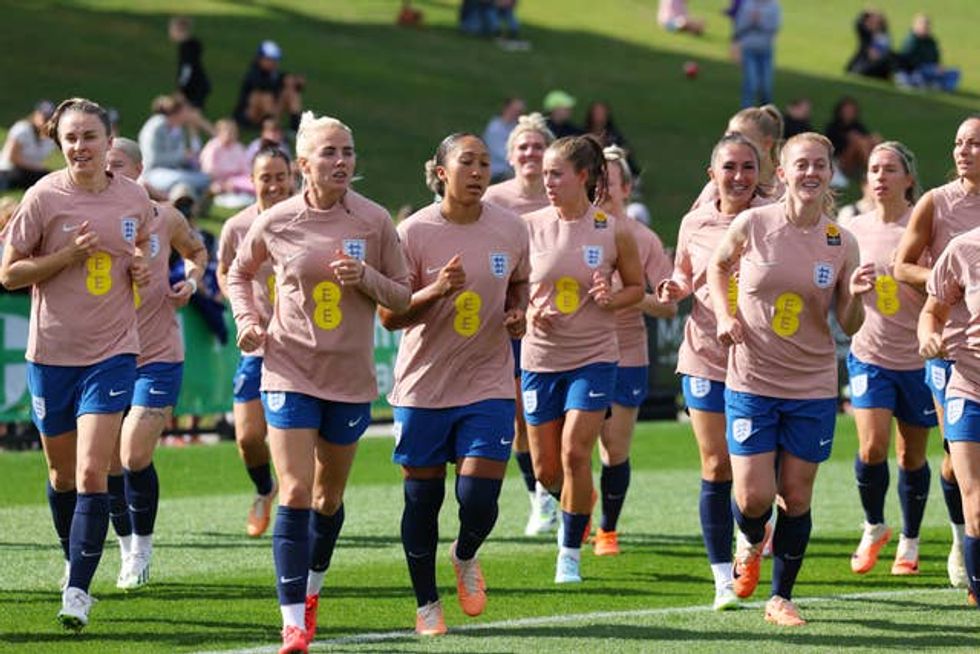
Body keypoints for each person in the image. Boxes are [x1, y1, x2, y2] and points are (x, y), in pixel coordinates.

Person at [227, 111, 410, 653]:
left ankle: (311, 590)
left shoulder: (374, 221)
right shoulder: (277, 219)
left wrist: (368, 280)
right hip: (287, 368)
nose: (341, 162)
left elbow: (403, 295)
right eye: (329, 153)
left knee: (329, 499)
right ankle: (291, 621)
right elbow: (239, 272)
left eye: (348, 152)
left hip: (349, 379)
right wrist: (247, 319)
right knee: (297, 490)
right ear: (304, 164)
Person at [0, 98, 154, 630]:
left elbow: (141, 259)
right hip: (52, 354)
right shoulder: (43, 197)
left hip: (112, 351)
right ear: (58, 142)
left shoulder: (134, 198)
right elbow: (9, 274)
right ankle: (76, 555)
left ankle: (77, 592)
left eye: (90, 136)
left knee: (92, 471)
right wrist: (65, 258)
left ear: (110, 142)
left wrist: (140, 273)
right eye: (70, 138)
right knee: (62, 474)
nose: (80, 147)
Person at [707, 132, 864, 626]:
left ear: (830, 173)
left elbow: (851, 323)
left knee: (795, 497)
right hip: (751, 380)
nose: (811, 173)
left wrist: (856, 295)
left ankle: (781, 596)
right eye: (802, 164)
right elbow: (717, 265)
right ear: (783, 172)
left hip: (812, 385)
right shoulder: (754, 223)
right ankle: (751, 541)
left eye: (820, 164)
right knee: (752, 498)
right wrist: (723, 315)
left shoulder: (842, 240)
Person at [378, 133, 530, 635]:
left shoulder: (511, 229)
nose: (479, 170)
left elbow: (521, 284)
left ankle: (464, 554)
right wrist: (436, 290)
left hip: (487, 380)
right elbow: (388, 315)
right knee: (423, 501)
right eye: (467, 161)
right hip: (424, 385)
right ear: (441, 171)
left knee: (479, 497)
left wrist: (518, 312)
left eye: (486, 162)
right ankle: (427, 605)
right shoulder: (414, 232)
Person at [522, 135, 643, 583]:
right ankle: (574, 506)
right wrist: (529, 308)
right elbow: (511, 288)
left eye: (556, 174)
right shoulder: (528, 226)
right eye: (544, 174)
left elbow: (635, 288)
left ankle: (568, 553)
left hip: (593, 357)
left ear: (582, 177)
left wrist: (612, 297)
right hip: (539, 358)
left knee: (576, 452)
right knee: (546, 469)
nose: (546, 181)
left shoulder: (612, 228)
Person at [657, 133, 764, 610]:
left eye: (747, 167)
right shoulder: (695, 222)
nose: (738, 177)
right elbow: (684, 272)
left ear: (760, 173)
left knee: (758, 479)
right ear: (712, 174)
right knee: (716, 464)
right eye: (729, 168)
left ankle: (753, 537)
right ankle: (723, 576)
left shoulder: (771, 219)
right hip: (704, 353)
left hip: (764, 362)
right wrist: (673, 288)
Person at [104, 137, 208, 589]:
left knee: (133, 453)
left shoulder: (165, 217)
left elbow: (197, 252)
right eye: (105, 166)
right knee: (105, 464)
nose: (111, 173)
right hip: (104, 356)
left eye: (119, 165)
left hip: (157, 355)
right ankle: (127, 551)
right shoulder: (91, 219)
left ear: (141, 169)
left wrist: (191, 279)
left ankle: (143, 547)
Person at [838, 142, 936, 577]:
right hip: (869, 354)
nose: (879, 177)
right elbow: (840, 291)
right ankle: (874, 524)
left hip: (917, 360)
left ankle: (910, 540)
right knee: (872, 446)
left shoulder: (924, 226)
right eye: (874, 169)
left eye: (889, 169)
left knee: (910, 456)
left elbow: (942, 287)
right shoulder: (852, 228)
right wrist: (852, 291)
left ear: (908, 179)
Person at [893, 115, 980, 590]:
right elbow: (901, 265)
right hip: (950, 348)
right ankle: (961, 535)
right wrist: (950, 284)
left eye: (974, 144)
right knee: (953, 451)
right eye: (958, 143)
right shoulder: (937, 203)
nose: (963, 151)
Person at [594, 146, 675, 557]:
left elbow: (667, 303)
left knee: (613, 448)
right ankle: (575, 504)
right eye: (595, 181)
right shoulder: (569, 229)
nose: (601, 189)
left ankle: (607, 530)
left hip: (626, 351)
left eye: (609, 182)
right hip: (570, 352)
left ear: (626, 188)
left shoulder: (643, 239)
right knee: (559, 450)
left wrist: (629, 296)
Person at [483, 112, 557, 535]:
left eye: (538, 146)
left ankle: (568, 491)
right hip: (512, 320)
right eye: (523, 147)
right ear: (510, 156)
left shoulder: (562, 195)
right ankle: (539, 497)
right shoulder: (494, 200)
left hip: (560, 324)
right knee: (520, 418)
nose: (530, 153)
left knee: (556, 419)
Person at [217, 146, 295, 538]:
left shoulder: (307, 220)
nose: (274, 184)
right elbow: (225, 273)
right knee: (248, 437)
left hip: (303, 347)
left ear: (293, 177)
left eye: (281, 176)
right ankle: (265, 490)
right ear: (253, 181)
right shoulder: (236, 227)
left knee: (299, 438)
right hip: (259, 346)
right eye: (266, 177)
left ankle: (302, 512)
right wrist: (243, 311)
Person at [919, 225, 980, 609]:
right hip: (969, 387)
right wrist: (928, 335)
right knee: (975, 505)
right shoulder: (963, 247)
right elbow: (932, 311)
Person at [691, 105, 784, 209]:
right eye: (728, 138)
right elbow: (695, 222)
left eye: (741, 139)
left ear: (767, 144)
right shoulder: (718, 188)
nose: (733, 144)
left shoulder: (787, 185)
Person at [138, 94, 211, 198]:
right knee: (183, 179)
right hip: (153, 172)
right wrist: (182, 156)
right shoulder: (157, 126)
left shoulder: (177, 128)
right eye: (187, 111)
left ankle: (188, 203)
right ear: (178, 112)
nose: (189, 114)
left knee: (204, 177)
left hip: (173, 170)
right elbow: (154, 159)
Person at [233, 40, 304, 132]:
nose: (273, 63)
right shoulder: (253, 75)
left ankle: (294, 127)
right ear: (260, 59)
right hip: (248, 116)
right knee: (265, 97)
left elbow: (293, 84)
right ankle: (270, 128)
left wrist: (296, 82)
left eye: (275, 59)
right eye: (269, 59)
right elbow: (264, 86)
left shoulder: (275, 75)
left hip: (270, 113)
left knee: (291, 93)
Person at [733, 0, 782, 109]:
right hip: (749, 50)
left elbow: (775, 27)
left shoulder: (774, 6)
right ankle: (746, 115)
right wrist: (751, 21)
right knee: (751, 83)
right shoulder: (748, 4)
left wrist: (760, 21)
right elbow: (739, 26)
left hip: (766, 51)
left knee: (766, 86)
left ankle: (768, 115)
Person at [896, 14, 960, 92]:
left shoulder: (931, 42)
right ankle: (936, 85)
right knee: (925, 72)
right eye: (923, 26)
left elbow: (936, 57)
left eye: (927, 26)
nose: (925, 28)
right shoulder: (911, 41)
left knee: (955, 72)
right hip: (918, 69)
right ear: (916, 26)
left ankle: (940, 86)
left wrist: (939, 67)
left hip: (932, 68)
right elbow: (908, 60)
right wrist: (931, 68)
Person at [0, 100, 56, 190]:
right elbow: (13, 158)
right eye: (44, 117)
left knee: (51, 177)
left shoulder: (50, 137)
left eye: (49, 118)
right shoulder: (22, 129)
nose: (46, 121)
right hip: (9, 170)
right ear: (36, 114)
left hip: (30, 172)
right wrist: (38, 168)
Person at [824, 97, 881, 183]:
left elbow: (866, 139)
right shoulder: (833, 126)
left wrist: (871, 139)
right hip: (839, 161)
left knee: (875, 139)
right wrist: (851, 139)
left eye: (851, 111)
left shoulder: (857, 126)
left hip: (857, 159)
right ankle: (874, 170)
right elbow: (831, 148)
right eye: (846, 110)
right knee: (858, 141)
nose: (849, 113)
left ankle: (878, 168)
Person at [200, 119, 254, 197]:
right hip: (218, 179)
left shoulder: (238, 147)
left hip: (235, 178)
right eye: (229, 133)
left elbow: (245, 167)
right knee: (216, 188)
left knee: (249, 183)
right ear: (220, 133)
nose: (232, 135)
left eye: (234, 133)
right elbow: (208, 169)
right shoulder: (213, 147)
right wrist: (221, 180)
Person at [584, 102, 640, 175]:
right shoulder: (582, 134)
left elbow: (625, 150)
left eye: (602, 113)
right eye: (597, 113)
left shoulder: (613, 135)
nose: (599, 116)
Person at [169, 16, 211, 110]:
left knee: (190, 115)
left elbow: (187, 69)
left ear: (178, 29)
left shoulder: (187, 48)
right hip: (197, 86)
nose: (170, 32)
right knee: (190, 116)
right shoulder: (190, 46)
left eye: (171, 29)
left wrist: (181, 89)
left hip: (194, 88)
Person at [482, 97, 525, 182]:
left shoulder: (516, 127)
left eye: (519, 111)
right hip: (496, 170)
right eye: (515, 110)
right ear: (506, 109)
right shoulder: (495, 128)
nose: (517, 114)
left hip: (512, 167)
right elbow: (502, 154)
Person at [846, 10, 894, 80]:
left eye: (873, 22)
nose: (869, 24)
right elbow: (858, 24)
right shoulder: (867, 35)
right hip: (863, 66)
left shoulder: (882, 38)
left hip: (872, 67)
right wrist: (865, 13)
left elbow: (874, 55)